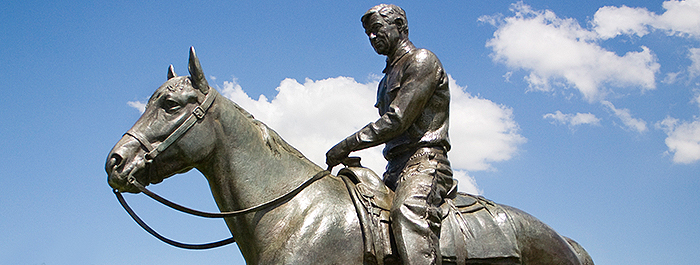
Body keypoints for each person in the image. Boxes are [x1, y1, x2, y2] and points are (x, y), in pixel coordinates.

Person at [326, 4, 454, 265]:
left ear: (399, 26)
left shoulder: (422, 60)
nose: (372, 38)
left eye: (376, 30)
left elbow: (396, 120)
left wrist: (346, 145)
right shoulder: (385, 80)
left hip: (425, 164)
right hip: (394, 169)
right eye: (368, 34)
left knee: (408, 212)